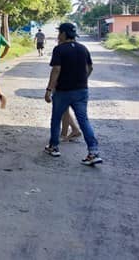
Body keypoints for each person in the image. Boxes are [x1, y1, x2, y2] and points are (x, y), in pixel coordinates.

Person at [44, 23, 102, 165]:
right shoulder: (83, 49)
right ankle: (93, 152)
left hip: (63, 91)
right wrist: (82, 80)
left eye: (59, 33)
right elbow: (90, 68)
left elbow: (56, 70)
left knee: (56, 119)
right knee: (84, 120)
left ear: (64, 34)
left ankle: (54, 147)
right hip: (81, 91)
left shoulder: (59, 49)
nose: (58, 35)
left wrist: (49, 89)